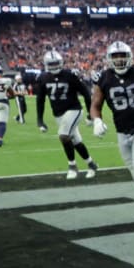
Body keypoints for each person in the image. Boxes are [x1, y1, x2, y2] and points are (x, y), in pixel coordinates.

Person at [90, 41, 134, 202]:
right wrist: (97, 121)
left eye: (122, 55)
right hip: (122, 132)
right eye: (115, 56)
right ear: (109, 58)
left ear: (130, 56)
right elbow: (95, 105)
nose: (119, 59)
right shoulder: (104, 78)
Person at [36, 49, 99, 180]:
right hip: (58, 114)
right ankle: (91, 164)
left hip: (74, 110)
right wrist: (40, 120)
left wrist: (89, 113)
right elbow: (40, 99)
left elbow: (86, 93)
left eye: (56, 63)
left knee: (63, 136)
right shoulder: (43, 78)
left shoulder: (70, 75)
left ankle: (72, 166)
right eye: (51, 64)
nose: (54, 66)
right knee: (76, 141)